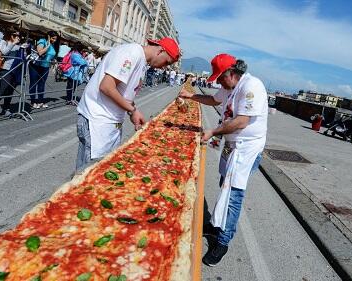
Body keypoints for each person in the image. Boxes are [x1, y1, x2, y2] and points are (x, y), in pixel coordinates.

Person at [179, 53, 268, 266]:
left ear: (232, 73)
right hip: (231, 145)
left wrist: (213, 131)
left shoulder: (251, 86)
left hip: (246, 148)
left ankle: (223, 240)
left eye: (220, 77)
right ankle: (217, 224)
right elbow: (213, 100)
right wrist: (190, 96)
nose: (217, 81)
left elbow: (241, 121)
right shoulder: (229, 87)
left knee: (234, 194)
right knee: (224, 184)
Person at [75, 37, 180, 173]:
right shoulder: (132, 53)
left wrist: (131, 112)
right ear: (160, 51)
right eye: (167, 62)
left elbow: (124, 93)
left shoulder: (142, 61)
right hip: (98, 120)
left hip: (110, 122)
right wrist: (133, 110)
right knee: (89, 173)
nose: (164, 66)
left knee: (104, 170)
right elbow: (107, 86)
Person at [29, 31, 58, 109]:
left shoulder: (53, 44)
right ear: (48, 36)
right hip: (36, 65)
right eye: (53, 38)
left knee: (42, 84)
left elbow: (51, 55)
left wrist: (53, 60)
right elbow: (40, 52)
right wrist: (48, 45)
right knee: (33, 83)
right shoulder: (42, 41)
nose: (54, 40)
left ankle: (40, 101)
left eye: (55, 39)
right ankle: (33, 101)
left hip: (45, 66)